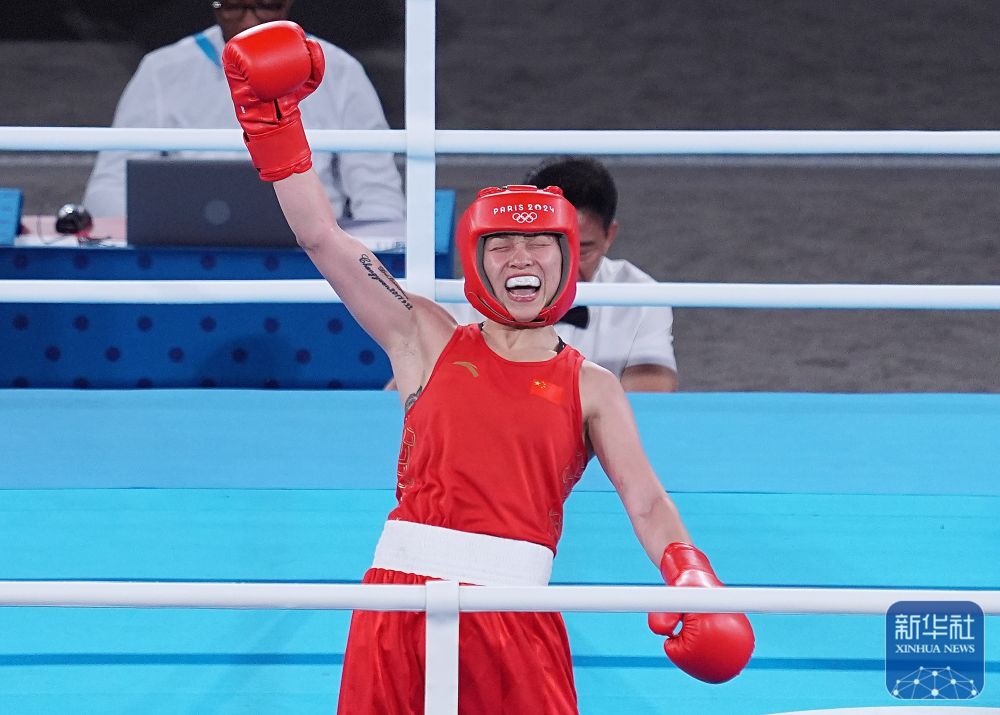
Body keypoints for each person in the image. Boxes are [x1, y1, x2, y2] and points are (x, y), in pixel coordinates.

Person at [222, 21, 754, 713]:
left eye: (539, 244)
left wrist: (689, 571)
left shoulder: (592, 386)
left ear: (568, 258)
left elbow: (647, 499)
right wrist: (276, 129)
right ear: (477, 260)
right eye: (502, 245)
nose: (521, 259)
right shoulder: (424, 337)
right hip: (397, 603)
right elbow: (321, 237)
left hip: (514, 611)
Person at [81, 0, 404, 222]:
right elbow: (110, 188)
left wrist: (358, 262)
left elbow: (379, 193)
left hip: (315, 259)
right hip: (187, 253)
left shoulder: (340, 70)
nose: (249, 21)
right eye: (234, 6)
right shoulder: (161, 69)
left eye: (265, 5)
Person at [449, 157, 679, 392]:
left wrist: (552, 398)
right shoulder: (459, 300)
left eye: (583, 250)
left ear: (609, 235)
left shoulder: (642, 296)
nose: (566, 267)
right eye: (546, 246)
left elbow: (652, 392)